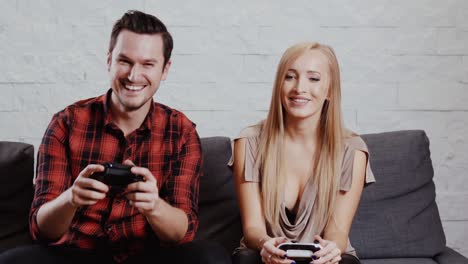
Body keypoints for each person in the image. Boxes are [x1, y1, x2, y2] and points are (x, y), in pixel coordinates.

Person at [0, 10, 230, 264]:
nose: (133, 75)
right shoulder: (66, 123)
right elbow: (41, 229)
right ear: (109, 60)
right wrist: (71, 199)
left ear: (165, 69)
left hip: (146, 255)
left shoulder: (182, 132)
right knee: (13, 260)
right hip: (76, 255)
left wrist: (154, 206)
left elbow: (181, 234)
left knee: (211, 257)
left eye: (147, 64)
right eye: (125, 61)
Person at [229, 42, 375, 264]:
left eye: (314, 79)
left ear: (329, 90)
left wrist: (331, 249)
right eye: (290, 77)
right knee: (246, 260)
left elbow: (337, 231)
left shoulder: (352, 150)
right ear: (280, 85)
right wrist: (265, 244)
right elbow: (253, 228)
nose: (299, 88)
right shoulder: (249, 142)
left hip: (322, 259)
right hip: (266, 256)